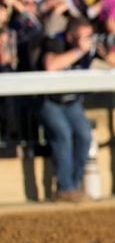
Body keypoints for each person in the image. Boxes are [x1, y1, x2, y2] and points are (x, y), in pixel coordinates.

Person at [39, 16, 96, 202]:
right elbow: (51, 65)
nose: (88, 40)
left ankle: (74, 185)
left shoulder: (90, 46)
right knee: (63, 134)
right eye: (84, 36)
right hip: (49, 100)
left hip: (71, 101)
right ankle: (64, 188)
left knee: (84, 134)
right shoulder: (55, 41)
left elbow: (111, 57)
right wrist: (79, 50)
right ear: (71, 36)